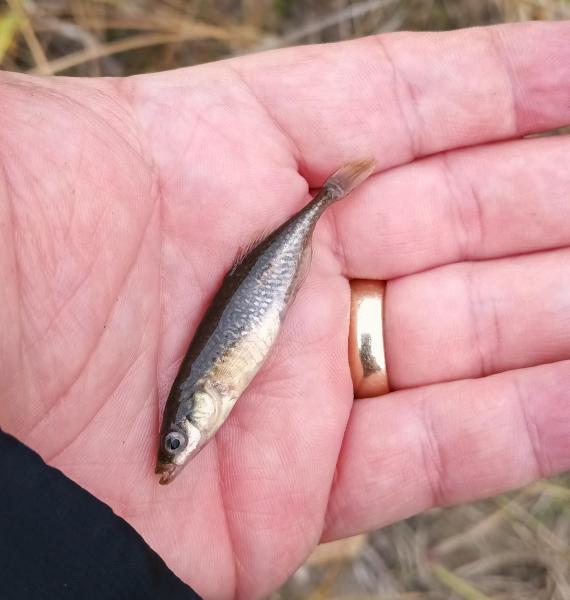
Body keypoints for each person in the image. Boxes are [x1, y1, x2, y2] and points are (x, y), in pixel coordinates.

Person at [0, 19, 569, 600]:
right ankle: (325, 201)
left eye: (176, 439)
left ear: (192, 409)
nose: (178, 447)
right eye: (176, 443)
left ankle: (328, 199)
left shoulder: (200, 398)